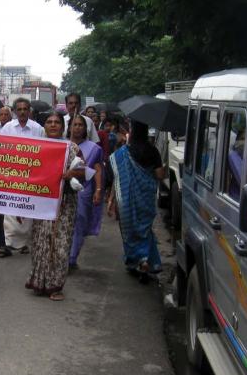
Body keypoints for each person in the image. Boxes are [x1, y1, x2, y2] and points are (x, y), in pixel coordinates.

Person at [26, 112, 85, 301]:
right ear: (44, 126)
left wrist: (72, 173)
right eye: (49, 122)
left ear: (62, 126)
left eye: (57, 122)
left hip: (65, 204)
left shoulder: (72, 148)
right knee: (40, 243)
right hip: (41, 204)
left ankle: (56, 285)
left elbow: (85, 173)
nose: (53, 125)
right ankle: (39, 281)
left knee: (60, 245)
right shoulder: (38, 148)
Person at [110, 121, 164, 283]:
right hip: (146, 197)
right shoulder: (153, 151)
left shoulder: (124, 151)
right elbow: (160, 175)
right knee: (145, 229)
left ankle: (139, 261)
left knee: (130, 230)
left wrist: (111, 199)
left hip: (127, 198)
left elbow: (117, 176)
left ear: (132, 132)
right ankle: (146, 260)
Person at [0, 98, 43, 256]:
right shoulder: (8, 128)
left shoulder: (38, 129)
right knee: (10, 208)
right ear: (15, 111)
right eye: (20, 109)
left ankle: (24, 243)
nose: (22, 112)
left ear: (29, 111)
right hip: (11, 173)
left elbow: (43, 151)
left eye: (25, 109)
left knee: (27, 207)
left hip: (31, 174)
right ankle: (8, 243)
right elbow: (2, 149)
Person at [67, 115, 104, 270]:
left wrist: (98, 190)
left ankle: (71, 258)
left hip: (85, 190)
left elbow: (97, 169)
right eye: (74, 124)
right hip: (64, 189)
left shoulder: (95, 148)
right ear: (69, 127)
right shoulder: (63, 145)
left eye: (80, 125)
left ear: (86, 128)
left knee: (79, 222)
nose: (77, 128)